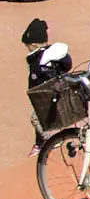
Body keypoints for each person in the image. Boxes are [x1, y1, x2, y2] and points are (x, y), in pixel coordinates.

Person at [22, 18, 71, 154]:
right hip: (48, 95)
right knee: (41, 117)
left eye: (28, 45)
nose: (27, 49)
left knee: (36, 118)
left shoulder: (44, 59)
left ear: (34, 44)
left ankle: (52, 140)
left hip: (49, 95)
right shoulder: (48, 56)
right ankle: (39, 144)